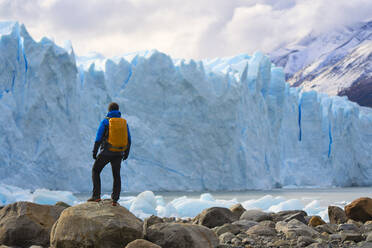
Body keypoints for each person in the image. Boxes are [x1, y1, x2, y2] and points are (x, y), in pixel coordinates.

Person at [87, 102, 131, 206]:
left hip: (106, 152)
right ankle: (115, 200)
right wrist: (126, 152)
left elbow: (98, 138)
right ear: (118, 110)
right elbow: (129, 139)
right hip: (119, 153)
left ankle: (96, 196)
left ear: (109, 110)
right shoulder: (124, 123)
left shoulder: (105, 122)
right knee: (116, 175)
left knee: (96, 170)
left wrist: (94, 151)